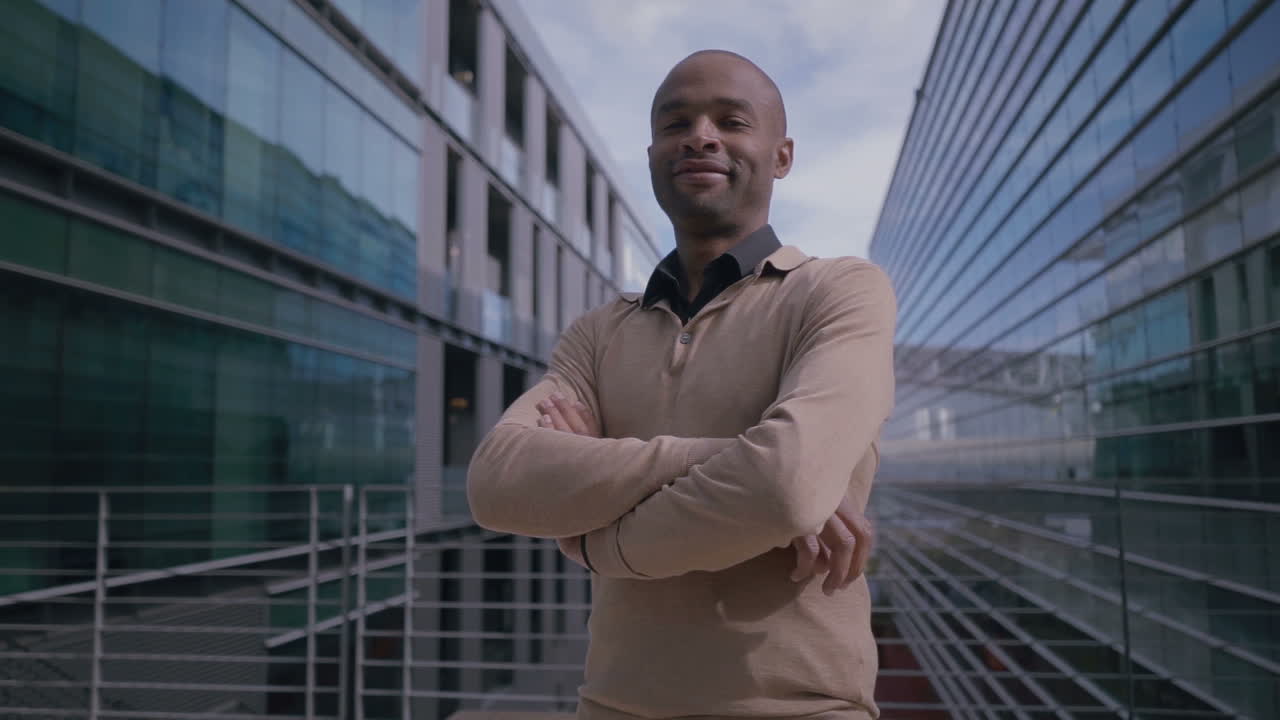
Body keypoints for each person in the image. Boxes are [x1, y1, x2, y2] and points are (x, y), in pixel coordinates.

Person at [467, 49, 896, 720]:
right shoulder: (598, 332)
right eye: (677, 123)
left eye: (731, 120)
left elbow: (783, 488)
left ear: (781, 156)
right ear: (652, 155)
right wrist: (737, 458)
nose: (700, 135)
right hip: (611, 707)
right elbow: (496, 482)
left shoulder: (839, 292)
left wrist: (596, 541)